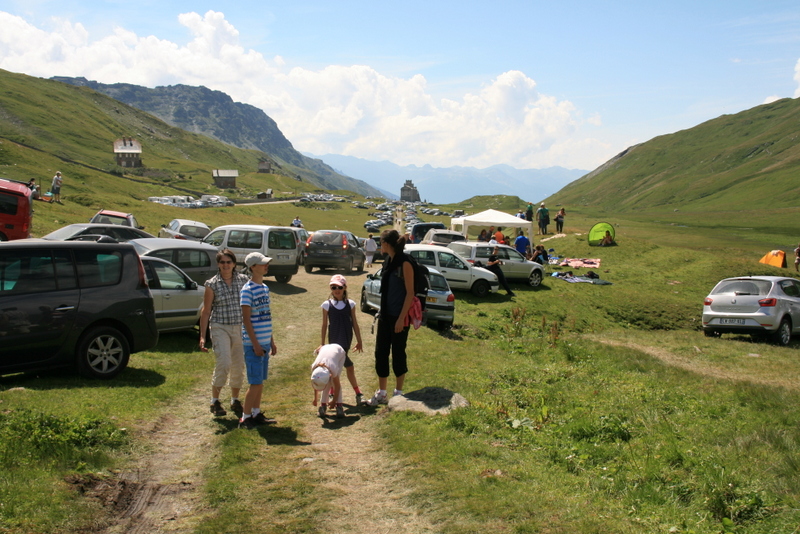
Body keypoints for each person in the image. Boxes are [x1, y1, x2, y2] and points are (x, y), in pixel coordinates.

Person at [366, 229, 415, 406]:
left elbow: (410, 293)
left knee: (398, 353)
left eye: (381, 243)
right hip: (385, 315)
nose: (380, 246)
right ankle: (382, 393)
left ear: (386, 244)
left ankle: (398, 393)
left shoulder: (405, 263)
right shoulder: (388, 261)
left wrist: (401, 319)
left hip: (399, 317)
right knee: (381, 353)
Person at [200, 249, 250, 419]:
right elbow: (206, 311)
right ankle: (215, 401)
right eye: (222, 262)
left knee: (238, 365)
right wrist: (202, 336)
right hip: (220, 327)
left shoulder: (244, 280)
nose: (226, 265)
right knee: (224, 362)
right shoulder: (212, 284)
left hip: (240, 328)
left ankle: (235, 399)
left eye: (229, 262)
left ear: (234, 264)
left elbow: (249, 307)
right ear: (218, 264)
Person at [238, 252, 278, 429]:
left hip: (264, 342)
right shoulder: (247, 290)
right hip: (252, 344)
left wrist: (271, 341)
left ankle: (256, 413)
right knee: (254, 383)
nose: (266, 266)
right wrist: (255, 344)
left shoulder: (265, 288)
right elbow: (246, 320)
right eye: (263, 264)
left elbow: (266, 316)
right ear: (253, 267)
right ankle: (245, 417)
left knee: (260, 382)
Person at [318, 274, 364, 409]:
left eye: (339, 287)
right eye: (333, 287)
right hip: (334, 340)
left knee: (337, 367)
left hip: (346, 338)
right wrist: (322, 343)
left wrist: (359, 340)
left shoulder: (350, 304)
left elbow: (354, 323)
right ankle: (356, 393)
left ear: (345, 288)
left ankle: (333, 393)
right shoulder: (327, 305)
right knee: (343, 367)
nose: (337, 290)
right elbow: (324, 325)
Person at [311, 343, 347, 419]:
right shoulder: (314, 368)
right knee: (327, 382)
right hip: (326, 349)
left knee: (333, 382)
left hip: (339, 351)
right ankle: (323, 406)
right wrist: (315, 399)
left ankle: (339, 406)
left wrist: (334, 401)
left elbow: (337, 386)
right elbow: (315, 383)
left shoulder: (333, 368)